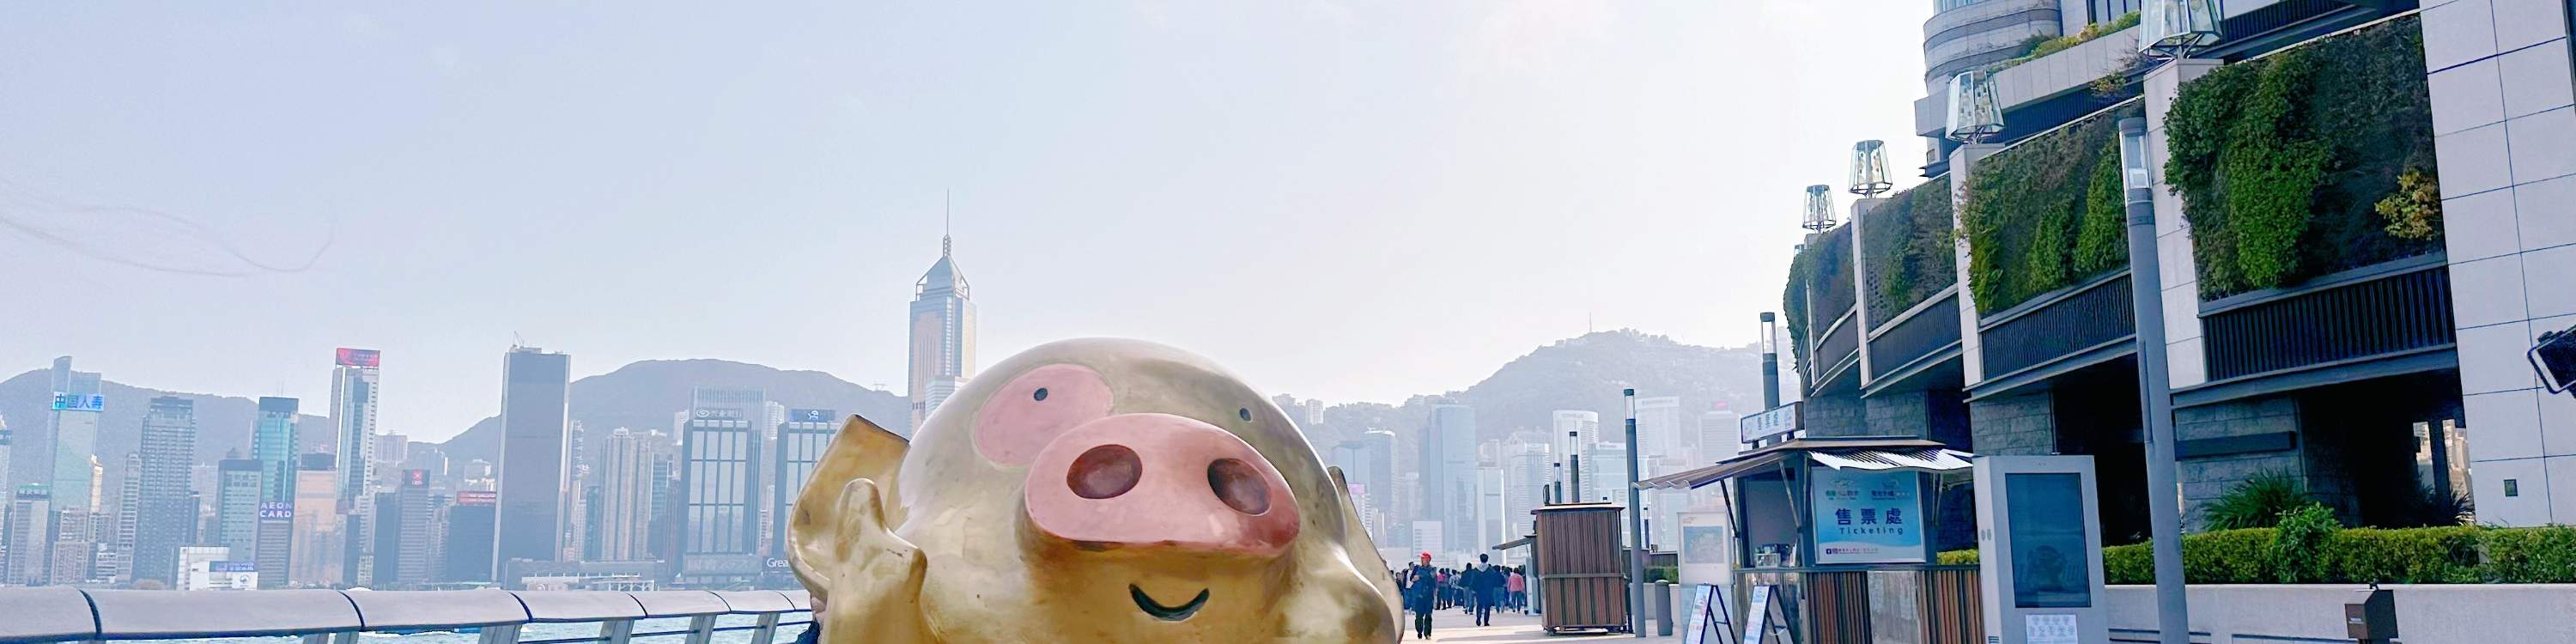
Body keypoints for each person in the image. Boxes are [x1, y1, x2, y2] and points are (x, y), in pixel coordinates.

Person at [1403, 552, 1438, 640]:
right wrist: (1416, 577)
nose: (1423, 561)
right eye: (1422, 559)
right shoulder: (1417, 568)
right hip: (1418, 595)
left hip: (1429, 595)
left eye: (1425, 559)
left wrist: (1420, 577)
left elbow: (1431, 576)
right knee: (1419, 616)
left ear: (1429, 560)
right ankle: (1419, 631)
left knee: (1428, 615)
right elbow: (1412, 578)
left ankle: (1427, 633)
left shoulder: (1433, 569)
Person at [1471, 554, 1498, 625]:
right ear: (1487, 559)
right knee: (1487, 606)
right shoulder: (1490, 570)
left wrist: (1473, 588)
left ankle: (1478, 618)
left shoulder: (1476, 570)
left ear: (1480, 559)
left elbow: (1473, 580)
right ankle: (1486, 621)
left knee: (1479, 605)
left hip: (1479, 590)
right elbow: (1494, 580)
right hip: (1488, 590)